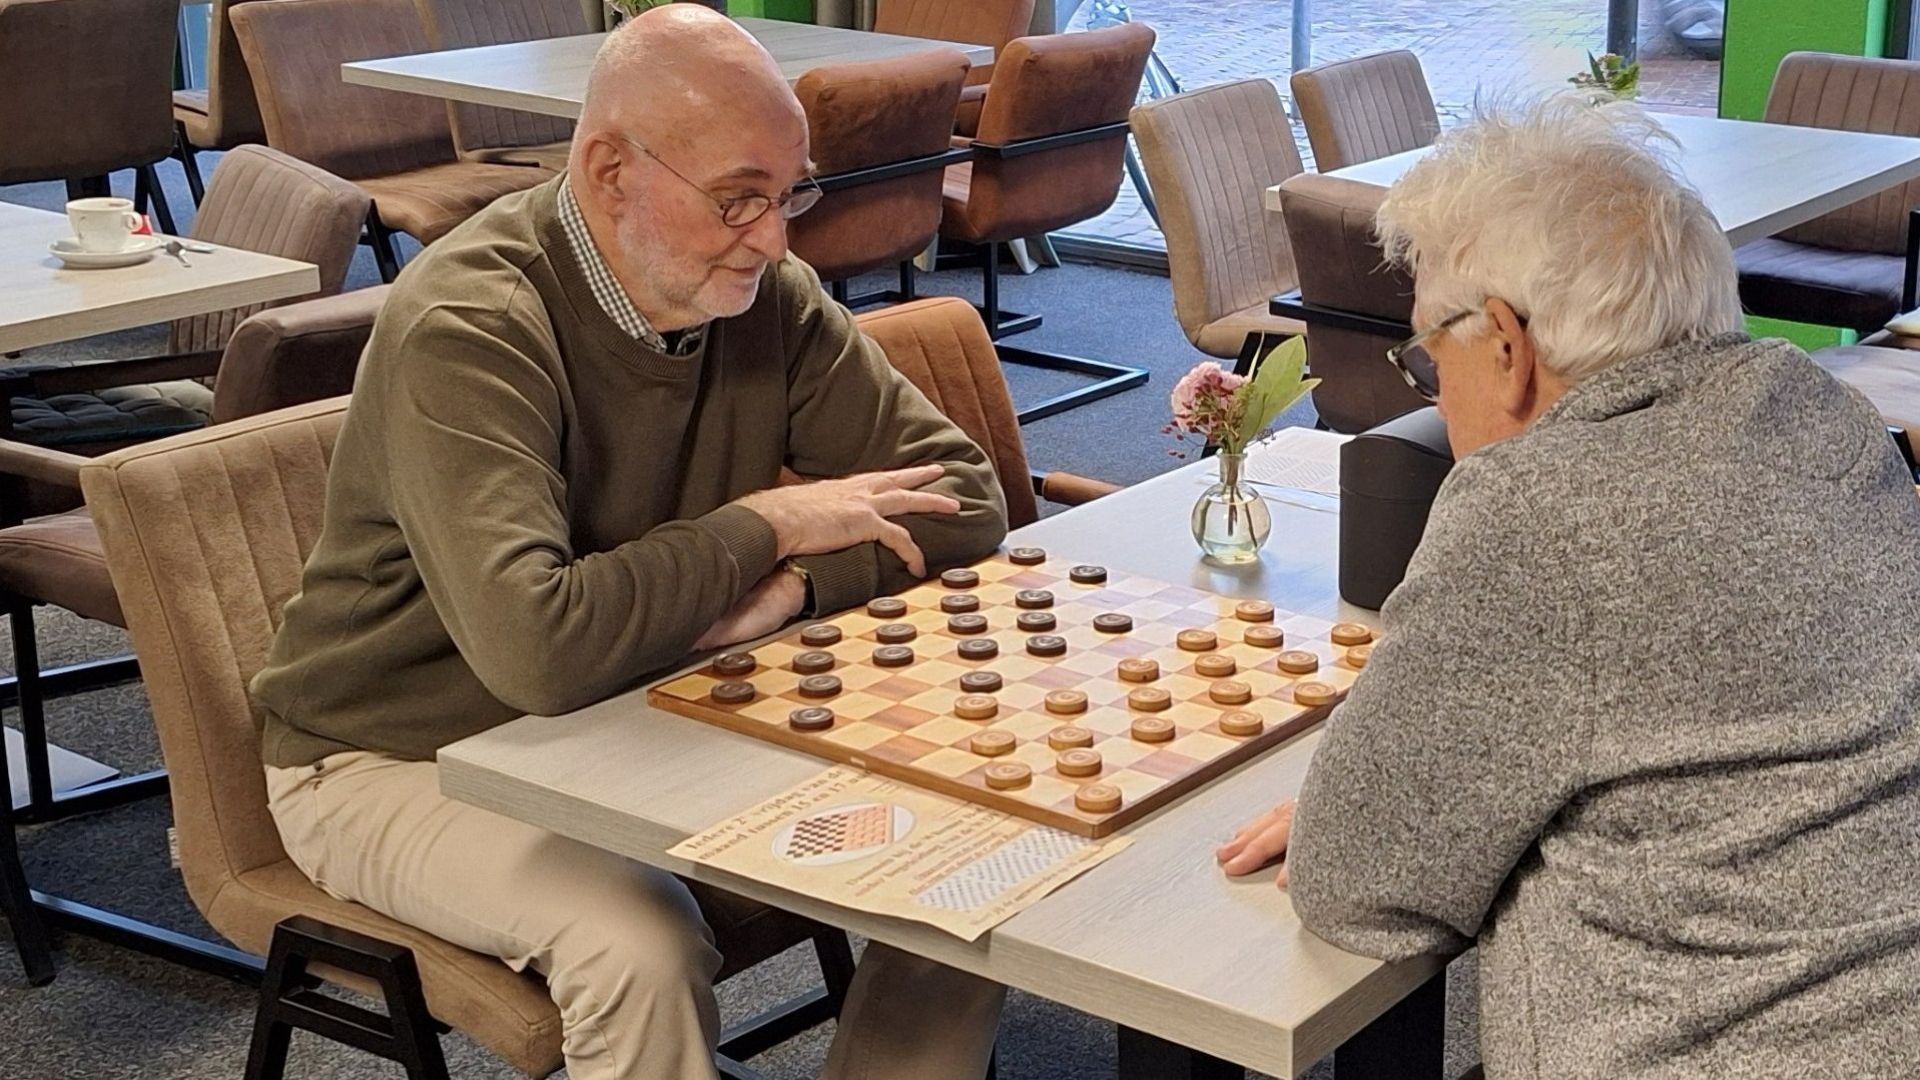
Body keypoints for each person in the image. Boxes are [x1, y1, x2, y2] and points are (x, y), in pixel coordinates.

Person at [248, 8, 1008, 1079]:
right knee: (638, 945)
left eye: (791, 194)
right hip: (396, 753)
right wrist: (768, 524)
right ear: (611, 172)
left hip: (649, 693)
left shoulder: (765, 296)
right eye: (738, 198)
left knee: (972, 835)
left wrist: (793, 585)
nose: (776, 237)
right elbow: (540, 651)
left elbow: (965, 499)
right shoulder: (472, 325)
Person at [1218, 96, 1920, 1077]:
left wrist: (1392, 818)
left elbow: (1357, 887)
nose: (1436, 398)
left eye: (1430, 360)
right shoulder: (1824, 412)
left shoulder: (1536, 509)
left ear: (1507, 346)